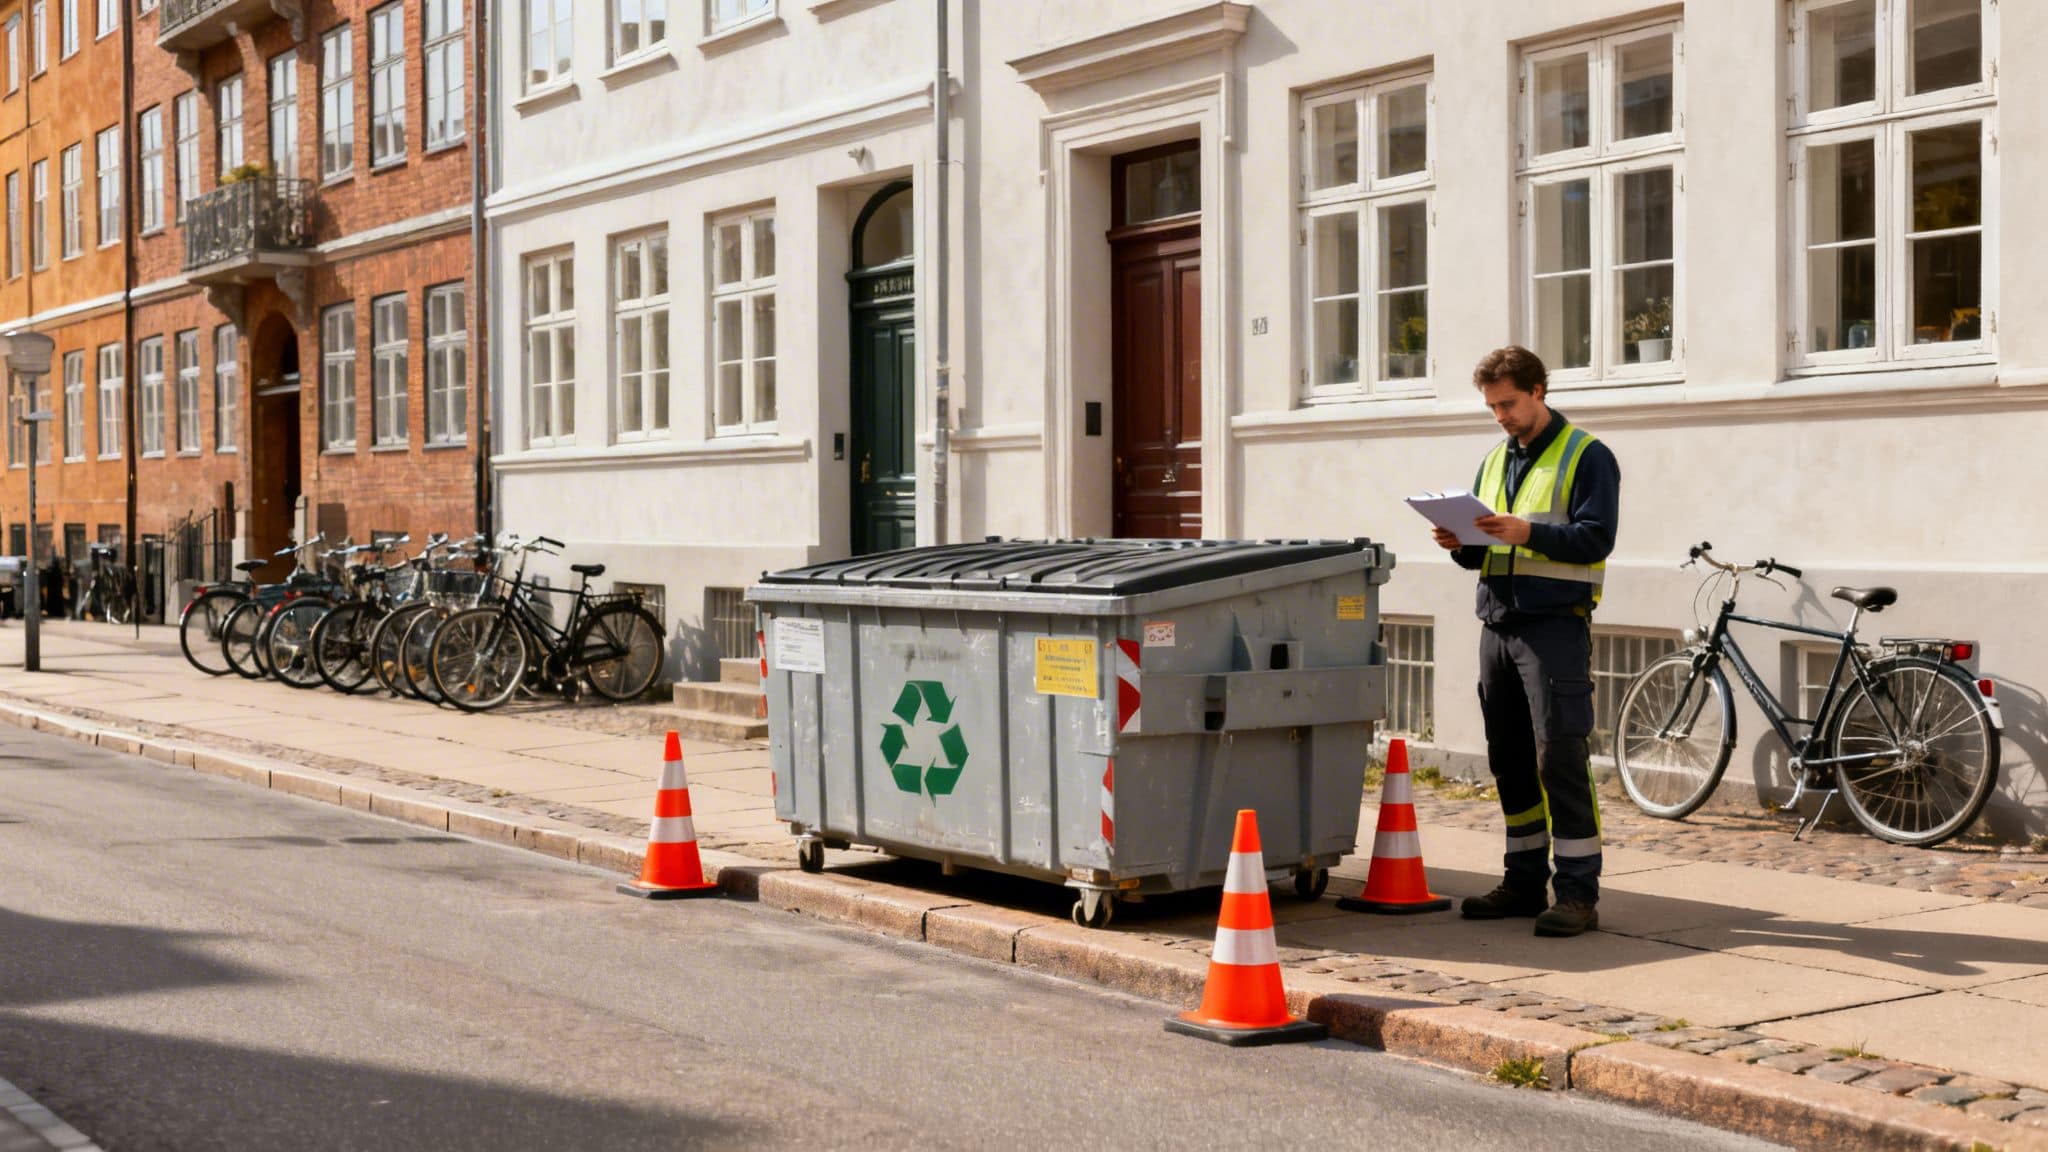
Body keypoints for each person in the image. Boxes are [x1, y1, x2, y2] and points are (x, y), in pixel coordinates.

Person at [1431, 346, 1620, 937]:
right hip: (1497, 623)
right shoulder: (1494, 460)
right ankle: (1522, 880)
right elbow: (1487, 550)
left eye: (1508, 404)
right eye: (1492, 407)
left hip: (1554, 627)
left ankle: (1577, 893)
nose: (1501, 416)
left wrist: (1527, 532)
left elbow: (1596, 539)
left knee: (1557, 755)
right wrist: (1460, 542)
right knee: (1509, 758)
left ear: (1539, 390)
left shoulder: (1588, 456)